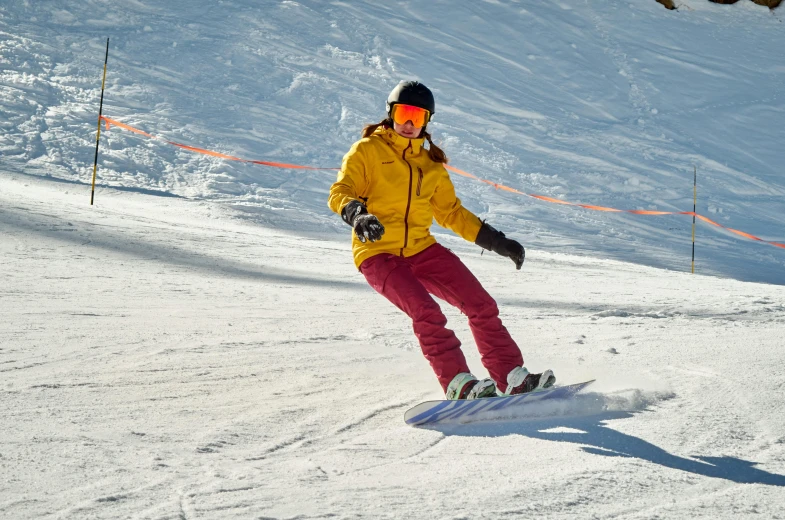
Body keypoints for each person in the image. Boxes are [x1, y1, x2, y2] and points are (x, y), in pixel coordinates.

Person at [328, 80, 555, 400]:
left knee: (481, 304)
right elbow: (341, 191)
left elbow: (451, 212)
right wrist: (358, 214)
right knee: (427, 311)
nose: (409, 124)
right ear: (390, 114)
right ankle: (458, 383)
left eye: (418, 118)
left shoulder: (429, 164)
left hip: (422, 249)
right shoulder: (367, 151)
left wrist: (496, 242)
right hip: (378, 253)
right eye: (404, 114)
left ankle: (510, 377)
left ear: (426, 122)